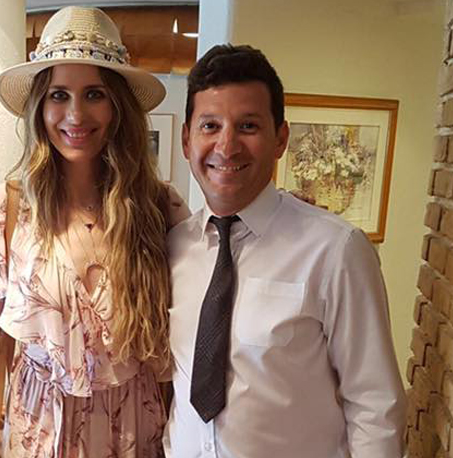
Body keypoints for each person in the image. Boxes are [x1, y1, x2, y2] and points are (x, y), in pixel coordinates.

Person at [0, 7, 188, 458]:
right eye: (59, 95)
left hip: (135, 431)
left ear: (118, 107)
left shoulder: (158, 208)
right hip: (38, 428)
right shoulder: (6, 210)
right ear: (40, 107)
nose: (76, 114)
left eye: (94, 94)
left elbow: (178, 336)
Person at [164, 44, 406, 457]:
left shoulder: (335, 250)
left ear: (280, 138)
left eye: (248, 126)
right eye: (210, 126)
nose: (227, 145)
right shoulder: (174, 247)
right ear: (187, 140)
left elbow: (375, 406)